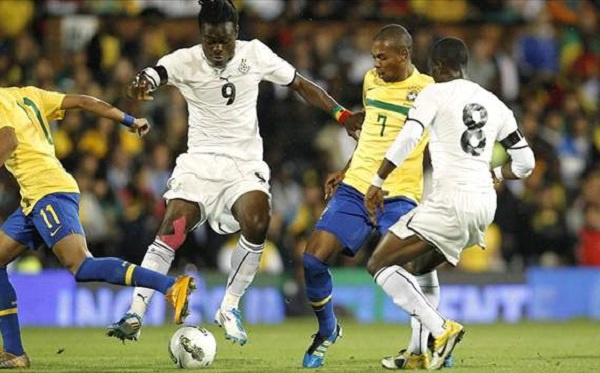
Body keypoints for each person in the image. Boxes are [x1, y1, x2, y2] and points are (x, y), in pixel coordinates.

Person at [107, 0, 362, 346]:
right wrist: (140, 84)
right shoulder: (183, 60)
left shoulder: (255, 54)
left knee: (258, 218)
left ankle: (229, 307)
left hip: (243, 165)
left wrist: (342, 116)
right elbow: (152, 75)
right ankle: (136, 312)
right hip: (199, 164)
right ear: (201, 35)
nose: (217, 48)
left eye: (224, 40)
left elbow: (301, 84)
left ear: (236, 34)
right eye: (210, 40)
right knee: (171, 229)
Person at [364, 37, 535, 370]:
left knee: (379, 264)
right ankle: (416, 353)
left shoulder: (433, 93)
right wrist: (496, 172)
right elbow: (526, 163)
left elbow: (411, 135)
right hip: (485, 206)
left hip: (450, 200)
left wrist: (378, 180)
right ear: (465, 66)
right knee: (419, 268)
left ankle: (442, 330)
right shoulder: (495, 103)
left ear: (437, 67)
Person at [0, 86, 196, 369]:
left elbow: (8, 140)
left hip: (48, 191)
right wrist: (129, 120)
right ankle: (14, 353)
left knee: (80, 266)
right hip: (34, 197)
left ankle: (170, 286)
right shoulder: (27, 94)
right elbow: (83, 100)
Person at [301, 25, 435, 369]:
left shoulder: (428, 90)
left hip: (400, 192)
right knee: (313, 259)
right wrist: (347, 169)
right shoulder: (370, 81)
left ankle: (425, 344)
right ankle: (328, 329)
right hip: (357, 186)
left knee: (410, 266)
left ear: (404, 54)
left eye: (382, 57)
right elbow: (370, 133)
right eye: (374, 56)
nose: (376, 64)